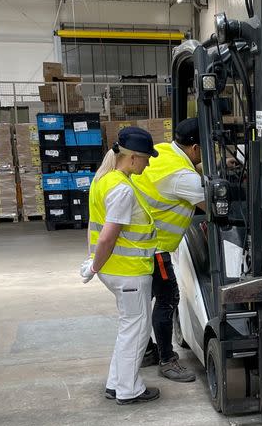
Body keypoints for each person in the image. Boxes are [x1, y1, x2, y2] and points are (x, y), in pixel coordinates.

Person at [79, 126, 160, 405]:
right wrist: (93, 266)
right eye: (147, 157)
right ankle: (129, 389)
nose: (149, 162)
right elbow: (108, 236)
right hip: (128, 273)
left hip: (116, 270)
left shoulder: (104, 180)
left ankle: (116, 384)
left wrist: (96, 265)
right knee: (136, 332)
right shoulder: (122, 189)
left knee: (128, 328)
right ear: (133, 157)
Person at [133, 117, 205, 383]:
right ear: (196, 148)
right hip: (156, 248)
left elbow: (181, 179)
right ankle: (166, 359)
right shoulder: (183, 177)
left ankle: (146, 352)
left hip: (137, 245)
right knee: (167, 300)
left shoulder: (164, 151)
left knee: (141, 303)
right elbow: (214, 205)